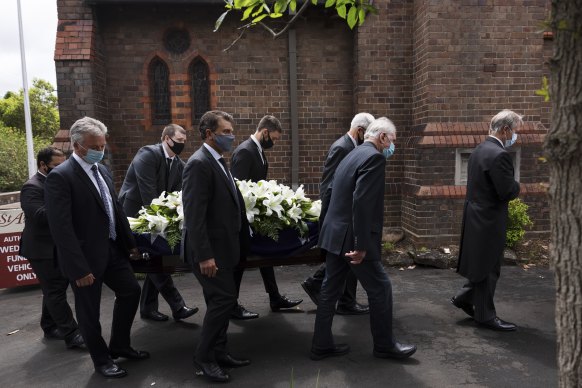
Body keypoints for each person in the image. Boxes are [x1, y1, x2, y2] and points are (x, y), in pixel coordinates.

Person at [45, 117, 149, 378]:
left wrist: (130, 244)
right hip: (84, 258)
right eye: (95, 146)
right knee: (89, 312)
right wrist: (78, 268)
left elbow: (114, 208)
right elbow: (61, 228)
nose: (100, 151)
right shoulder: (61, 176)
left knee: (131, 291)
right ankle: (102, 361)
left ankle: (120, 345)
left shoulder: (101, 170)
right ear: (78, 146)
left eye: (102, 145)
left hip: (112, 250)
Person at [311, 117, 416, 361]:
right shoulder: (374, 157)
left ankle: (321, 344)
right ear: (382, 137)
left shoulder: (351, 154)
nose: (392, 146)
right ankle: (384, 345)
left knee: (329, 289)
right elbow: (362, 203)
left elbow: (333, 192)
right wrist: (361, 245)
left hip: (335, 234)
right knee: (381, 287)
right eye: (392, 140)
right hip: (351, 239)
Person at [182, 110, 251, 383]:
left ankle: (219, 351)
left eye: (231, 131)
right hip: (210, 253)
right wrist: (205, 255)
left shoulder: (219, 161)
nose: (231, 136)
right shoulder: (199, 164)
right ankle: (203, 358)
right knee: (224, 300)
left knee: (219, 301)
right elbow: (194, 215)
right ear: (209, 134)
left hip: (225, 249)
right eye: (225, 132)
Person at [451, 109, 522, 331]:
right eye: (515, 131)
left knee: (482, 263)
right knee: (490, 267)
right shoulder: (499, 155)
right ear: (505, 129)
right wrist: (517, 186)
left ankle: (464, 298)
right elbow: (507, 191)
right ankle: (485, 316)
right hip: (489, 219)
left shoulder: (480, 150)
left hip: (475, 216)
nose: (515, 135)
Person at [119, 124, 198, 322]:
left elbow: (176, 195)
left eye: (184, 142)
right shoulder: (147, 154)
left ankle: (148, 308)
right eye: (179, 141)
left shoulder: (179, 164)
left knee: (154, 258)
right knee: (154, 256)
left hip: (156, 214)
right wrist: (163, 219)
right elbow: (148, 193)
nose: (182, 145)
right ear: (166, 139)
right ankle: (177, 305)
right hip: (135, 214)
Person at [301, 112, 374, 315]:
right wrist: (329, 217)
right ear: (360, 131)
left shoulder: (350, 147)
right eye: (368, 134)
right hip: (340, 217)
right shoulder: (342, 147)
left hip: (343, 217)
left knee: (347, 260)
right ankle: (328, 291)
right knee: (346, 259)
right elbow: (328, 185)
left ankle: (344, 300)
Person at [230, 115, 303, 319]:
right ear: (265, 133)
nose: (275, 142)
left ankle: (275, 297)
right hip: (245, 217)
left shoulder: (257, 150)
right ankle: (230, 305)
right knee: (240, 262)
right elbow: (239, 187)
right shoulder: (245, 151)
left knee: (266, 255)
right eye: (275, 138)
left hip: (256, 215)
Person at [19, 147, 85, 350]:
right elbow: (38, 215)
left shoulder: (58, 181)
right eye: (56, 166)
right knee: (55, 291)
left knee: (55, 289)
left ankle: (49, 326)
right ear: (42, 165)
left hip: (56, 247)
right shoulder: (32, 187)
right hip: (41, 249)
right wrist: (63, 205)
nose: (61, 169)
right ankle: (72, 334)